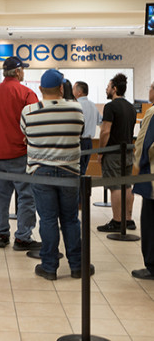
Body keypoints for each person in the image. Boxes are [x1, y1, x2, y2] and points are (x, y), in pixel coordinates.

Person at [21, 69, 89, 280]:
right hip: (70, 172)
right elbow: (79, 133)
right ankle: (77, 266)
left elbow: (26, 136)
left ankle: (49, 267)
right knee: (70, 219)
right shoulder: (76, 109)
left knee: (48, 219)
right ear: (62, 88)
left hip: (41, 173)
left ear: (40, 89)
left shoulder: (29, 111)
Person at [0, 56, 41, 250]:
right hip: (19, 153)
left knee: (0, 195)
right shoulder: (26, 93)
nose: (24, 72)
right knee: (26, 195)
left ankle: (1, 234)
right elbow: (36, 123)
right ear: (17, 71)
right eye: (23, 69)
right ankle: (23, 236)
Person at [97, 73, 137, 232]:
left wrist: (101, 152)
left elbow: (105, 131)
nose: (106, 89)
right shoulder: (131, 107)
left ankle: (117, 221)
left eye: (108, 87)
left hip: (113, 152)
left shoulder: (111, 107)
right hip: (127, 151)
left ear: (114, 89)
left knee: (114, 186)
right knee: (127, 185)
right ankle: (128, 219)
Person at [131, 81, 154, 280]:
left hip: (152, 178)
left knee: (149, 222)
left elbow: (143, 143)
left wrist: (136, 167)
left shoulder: (152, 112)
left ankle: (152, 265)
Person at [73, 81, 102, 176]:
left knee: (76, 172)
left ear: (79, 92)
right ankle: (83, 190)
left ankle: (79, 191)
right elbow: (100, 121)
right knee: (83, 171)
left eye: (73, 89)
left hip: (78, 142)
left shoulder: (76, 105)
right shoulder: (93, 106)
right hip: (89, 142)